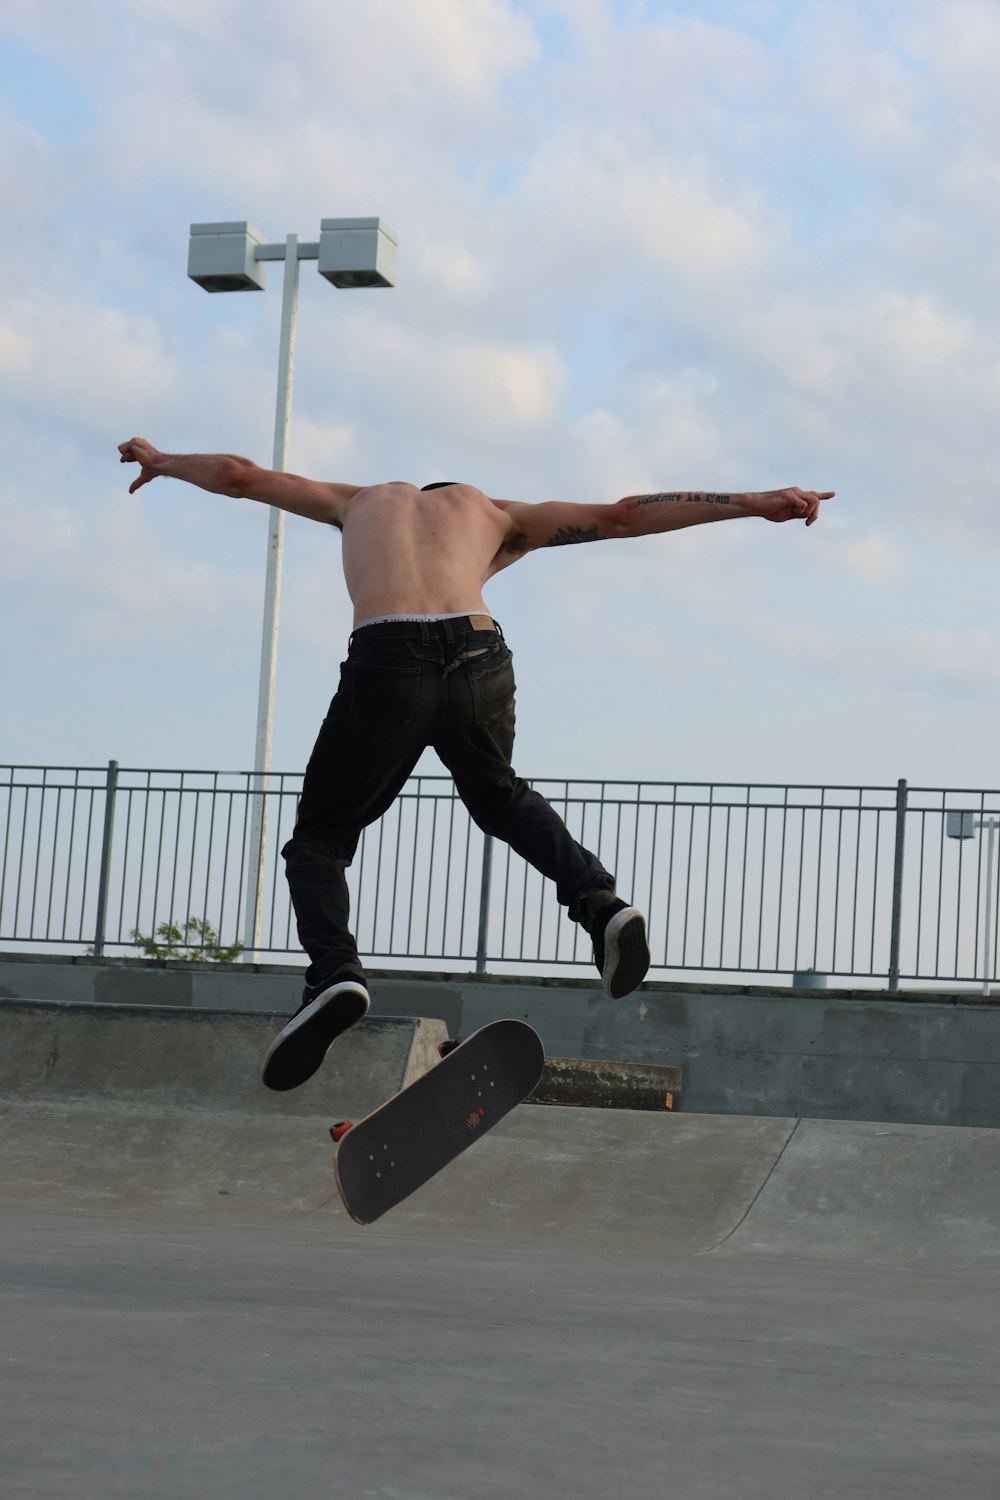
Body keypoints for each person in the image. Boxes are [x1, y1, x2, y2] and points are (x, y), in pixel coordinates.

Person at [118, 437, 833, 1090]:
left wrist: (165, 461)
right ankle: (600, 904)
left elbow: (241, 476)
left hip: (386, 659)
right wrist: (752, 503)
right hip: (478, 652)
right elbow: (621, 515)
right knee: (497, 794)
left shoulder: (355, 501)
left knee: (320, 840)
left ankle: (334, 973)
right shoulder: (498, 514)